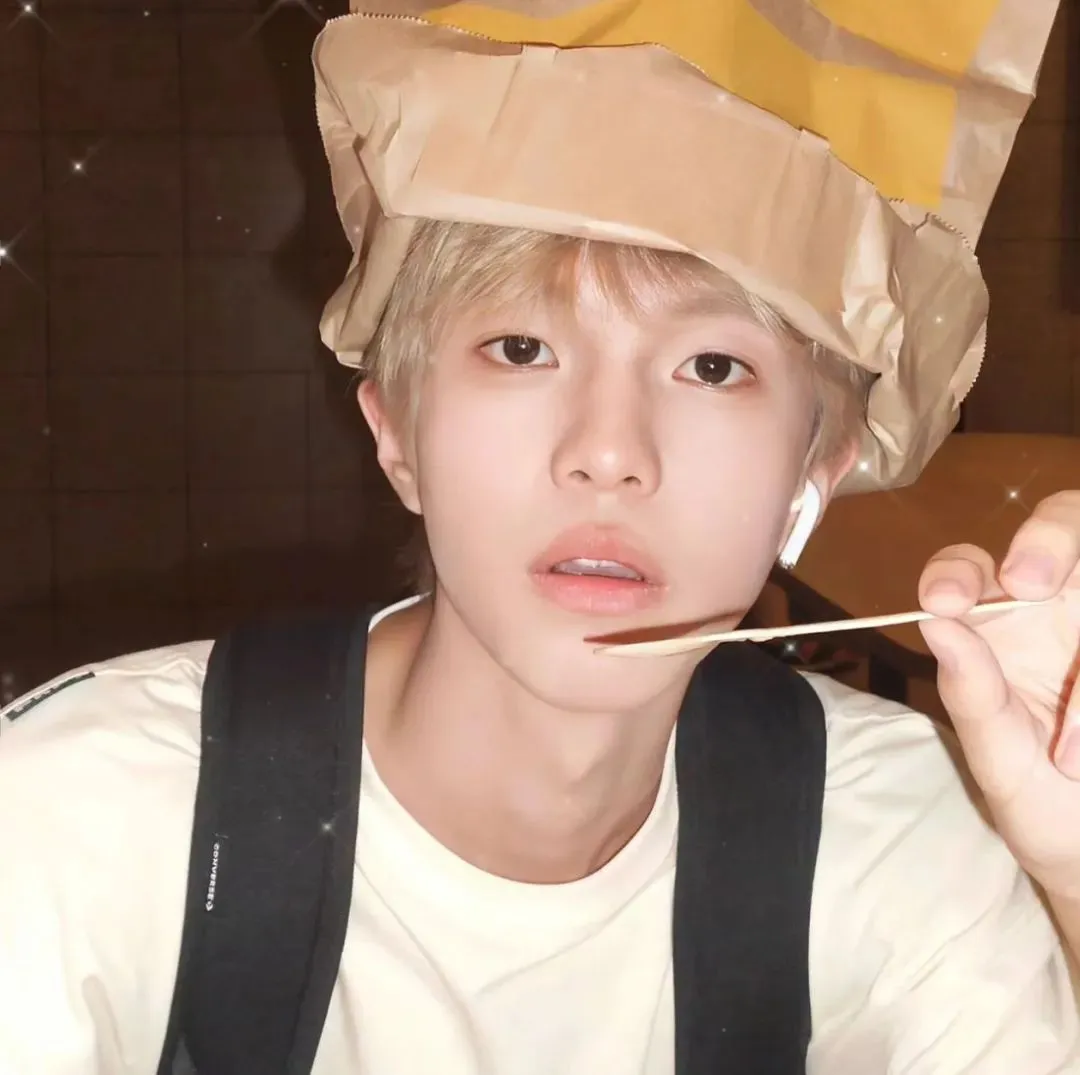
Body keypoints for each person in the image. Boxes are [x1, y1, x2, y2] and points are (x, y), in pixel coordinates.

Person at [2, 2, 1078, 1073]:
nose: (609, 452)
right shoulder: (81, 816)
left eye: (712, 366)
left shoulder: (896, 831)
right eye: (521, 347)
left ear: (814, 474)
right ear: (396, 436)